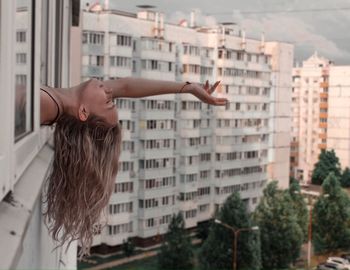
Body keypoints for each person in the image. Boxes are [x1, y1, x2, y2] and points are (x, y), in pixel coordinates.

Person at [40, 77, 227, 257]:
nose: (110, 90)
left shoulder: (46, 104)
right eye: (111, 99)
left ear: (83, 112)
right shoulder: (62, 101)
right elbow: (126, 86)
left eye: (108, 102)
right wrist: (190, 88)